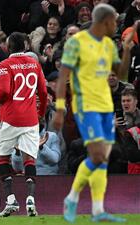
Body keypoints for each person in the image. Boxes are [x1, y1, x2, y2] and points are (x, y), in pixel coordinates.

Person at [53, 3, 137, 222]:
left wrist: (126, 51)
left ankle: (98, 210)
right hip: (85, 106)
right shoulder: (77, 43)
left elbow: (122, 74)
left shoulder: (109, 45)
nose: (115, 27)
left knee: (102, 158)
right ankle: (71, 198)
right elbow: (63, 76)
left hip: (105, 107)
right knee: (98, 155)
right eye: (113, 22)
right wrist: (61, 108)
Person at [0, 32, 47, 217]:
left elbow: (3, 91)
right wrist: (40, 114)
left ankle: (11, 201)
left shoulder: (4, 64)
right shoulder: (35, 63)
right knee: (29, 159)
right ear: (25, 46)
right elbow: (43, 93)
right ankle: (31, 200)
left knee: (2, 157)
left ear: (8, 47)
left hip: (10, 118)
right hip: (31, 119)